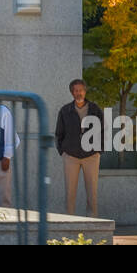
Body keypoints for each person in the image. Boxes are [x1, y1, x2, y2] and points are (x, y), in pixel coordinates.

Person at [55, 79, 102, 216]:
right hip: (71, 156)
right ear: (72, 92)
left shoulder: (95, 109)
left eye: (81, 90)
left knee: (92, 193)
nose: (78, 93)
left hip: (91, 156)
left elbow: (104, 130)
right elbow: (59, 133)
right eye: (75, 90)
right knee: (70, 193)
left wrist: (99, 150)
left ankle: (93, 222)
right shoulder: (65, 110)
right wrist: (62, 152)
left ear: (85, 91)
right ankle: (70, 222)